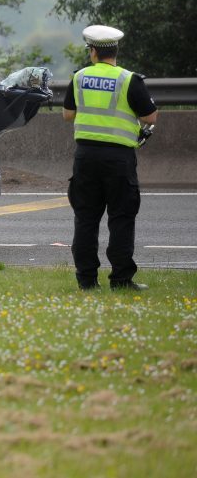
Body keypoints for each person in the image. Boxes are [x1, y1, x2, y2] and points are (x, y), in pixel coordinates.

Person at [62, 25, 157, 291]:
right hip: (119, 159)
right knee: (121, 218)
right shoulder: (129, 80)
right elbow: (150, 117)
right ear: (116, 50)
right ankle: (121, 279)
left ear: (92, 51)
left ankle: (87, 280)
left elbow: (68, 115)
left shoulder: (79, 78)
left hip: (86, 157)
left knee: (86, 219)